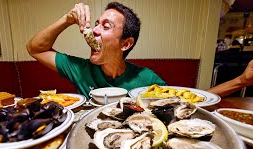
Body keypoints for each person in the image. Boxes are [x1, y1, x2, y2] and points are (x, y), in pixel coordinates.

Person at [27, 2, 166, 99]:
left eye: (106, 26)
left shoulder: (148, 79)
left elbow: (173, 104)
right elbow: (35, 49)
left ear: (126, 44)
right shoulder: (80, 70)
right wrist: (67, 19)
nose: (94, 30)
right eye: (96, 24)